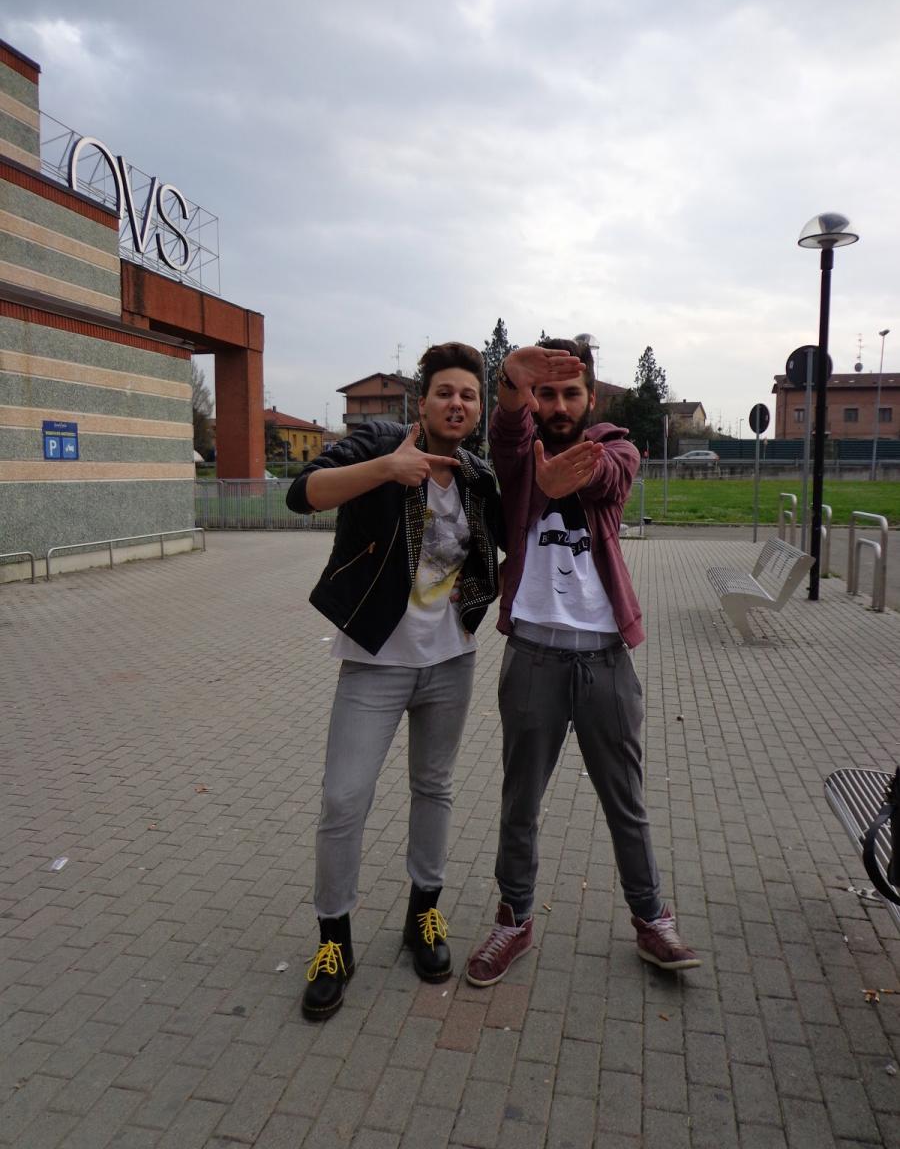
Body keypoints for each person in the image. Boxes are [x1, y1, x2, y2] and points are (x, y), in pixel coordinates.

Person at [465, 339, 701, 986]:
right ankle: (514, 920)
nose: (560, 405)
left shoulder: (618, 448)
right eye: (547, 394)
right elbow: (507, 433)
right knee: (520, 802)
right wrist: (509, 384)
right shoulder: (519, 459)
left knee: (626, 802)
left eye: (572, 394)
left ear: (591, 398)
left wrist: (569, 476)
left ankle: (651, 918)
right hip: (532, 657)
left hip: (605, 660)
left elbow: (609, 476)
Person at [286, 342, 502, 1021]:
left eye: (469, 395)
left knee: (434, 788)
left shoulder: (477, 476)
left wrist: (479, 596)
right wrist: (389, 469)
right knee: (344, 799)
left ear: (479, 409)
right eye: (445, 392)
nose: (456, 403)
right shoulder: (380, 442)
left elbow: (500, 545)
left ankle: (423, 914)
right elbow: (302, 494)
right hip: (374, 663)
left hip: (450, 661)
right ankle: (334, 940)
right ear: (423, 400)